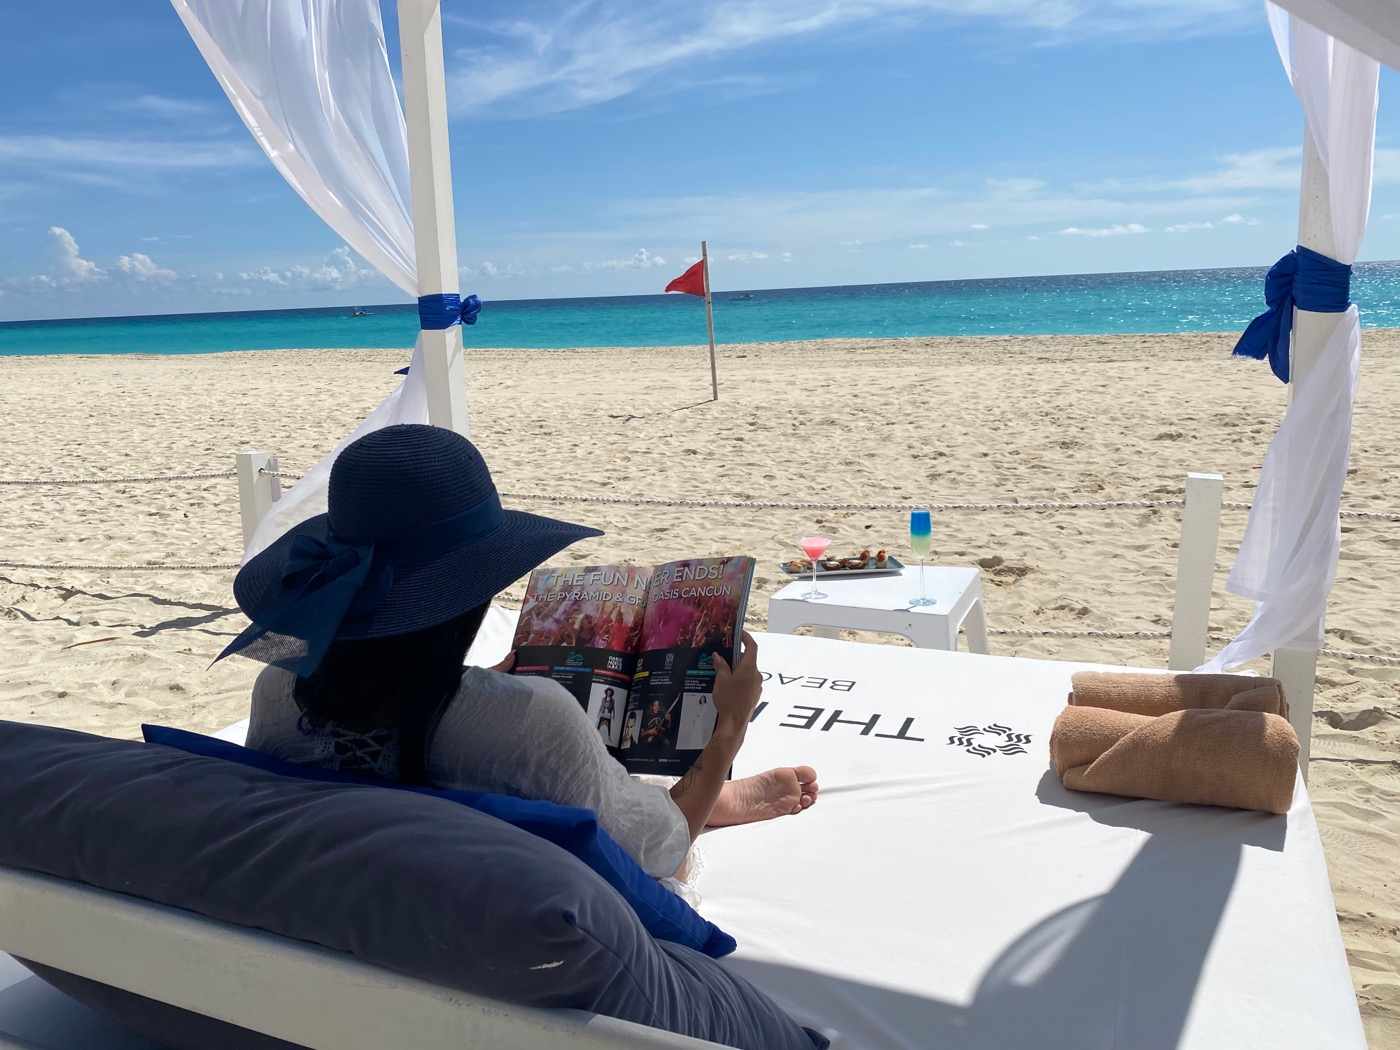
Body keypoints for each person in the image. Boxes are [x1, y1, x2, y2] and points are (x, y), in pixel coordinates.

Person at [230, 424, 818, 881]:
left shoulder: (280, 689)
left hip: (362, 895)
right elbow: (657, 857)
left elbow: (379, 752)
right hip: (498, 920)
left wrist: (465, 689)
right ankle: (698, 797)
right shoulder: (529, 718)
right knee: (667, 842)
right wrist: (729, 730)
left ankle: (668, 798)